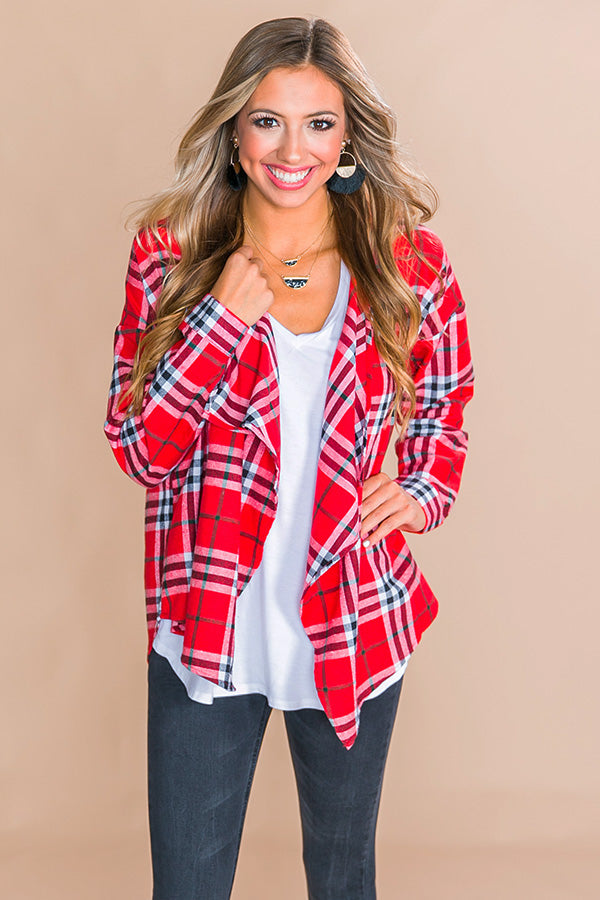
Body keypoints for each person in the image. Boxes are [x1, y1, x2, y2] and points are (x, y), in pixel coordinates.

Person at [104, 15, 474, 900]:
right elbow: (139, 447)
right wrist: (220, 319)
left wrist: (422, 488)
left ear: (347, 138)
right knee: (187, 887)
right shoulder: (170, 255)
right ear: (235, 130)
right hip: (208, 619)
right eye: (268, 120)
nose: (292, 149)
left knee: (343, 880)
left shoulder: (405, 262)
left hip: (352, 616)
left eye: (318, 123)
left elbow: (447, 395)